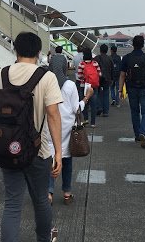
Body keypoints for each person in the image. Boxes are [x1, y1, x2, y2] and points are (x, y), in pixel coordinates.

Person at [0, 32, 63, 242]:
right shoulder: (47, 76)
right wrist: (59, 153)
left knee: (12, 204)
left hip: (8, 146)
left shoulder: (2, 74)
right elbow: (53, 115)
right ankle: (44, 239)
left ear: (15, 50)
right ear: (39, 52)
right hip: (38, 150)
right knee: (41, 201)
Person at [46, 77, 93, 205]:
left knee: (52, 158)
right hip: (67, 129)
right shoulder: (70, 85)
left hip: (50, 126)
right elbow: (76, 109)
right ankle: (67, 193)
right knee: (66, 159)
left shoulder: (46, 81)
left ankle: (49, 192)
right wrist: (87, 97)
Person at [119, 35, 145, 149]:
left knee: (135, 112)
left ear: (133, 44)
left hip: (131, 89)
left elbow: (122, 75)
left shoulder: (127, 58)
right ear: (143, 45)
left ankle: (137, 135)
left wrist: (121, 90)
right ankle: (143, 132)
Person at [76, 48, 101, 128]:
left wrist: (85, 78)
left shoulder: (81, 64)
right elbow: (99, 74)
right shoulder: (95, 63)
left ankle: (85, 119)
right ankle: (93, 123)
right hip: (93, 86)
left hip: (84, 86)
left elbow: (79, 76)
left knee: (84, 102)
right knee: (93, 104)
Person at [94, 44, 114, 117]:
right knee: (106, 95)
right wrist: (112, 79)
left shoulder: (96, 58)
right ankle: (106, 112)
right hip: (107, 79)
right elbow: (112, 70)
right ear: (107, 50)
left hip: (98, 79)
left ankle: (99, 107)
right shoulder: (109, 58)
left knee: (97, 93)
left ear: (100, 50)